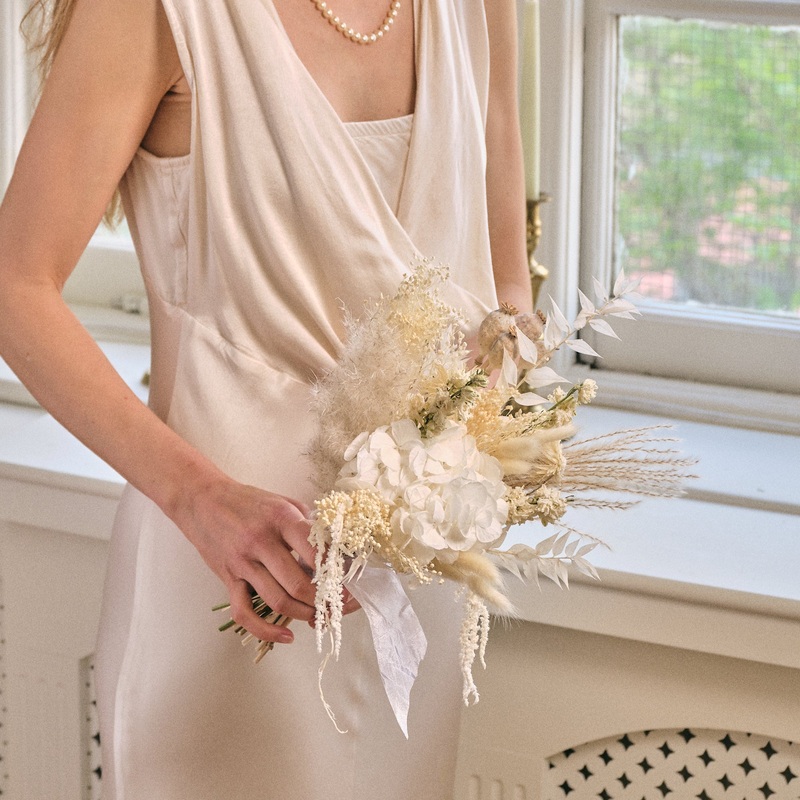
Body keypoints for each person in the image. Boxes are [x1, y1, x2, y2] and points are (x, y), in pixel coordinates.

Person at [0, 0, 532, 796]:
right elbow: (15, 286)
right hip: (232, 584)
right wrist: (198, 496)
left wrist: (476, 431)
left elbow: (505, 292)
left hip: (413, 590)